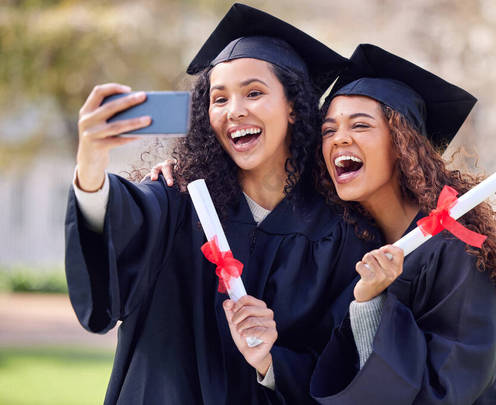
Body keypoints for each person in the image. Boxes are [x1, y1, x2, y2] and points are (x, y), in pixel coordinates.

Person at [65, 4, 377, 404]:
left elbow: (341, 367)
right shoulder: (178, 202)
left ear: (295, 108)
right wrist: (90, 166)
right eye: (219, 98)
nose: (234, 111)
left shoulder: (338, 233)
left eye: (254, 93)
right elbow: (117, 228)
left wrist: (270, 362)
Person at [307, 44, 496, 404]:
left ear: (402, 144)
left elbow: (448, 391)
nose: (339, 138)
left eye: (360, 125)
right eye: (328, 129)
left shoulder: (455, 250)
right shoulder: (356, 240)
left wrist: (371, 303)